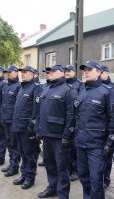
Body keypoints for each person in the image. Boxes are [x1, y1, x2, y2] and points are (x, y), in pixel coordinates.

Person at [75, 60, 114, 199]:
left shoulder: (107, 92)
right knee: (83, 176)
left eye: (89, 69)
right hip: (81, 143)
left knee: (96, 180)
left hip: (97, 145)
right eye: (84, 70)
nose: (86, 72)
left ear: (99, 72)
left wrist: (109, 143)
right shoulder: (82, 90)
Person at [37, 64, 77, 198]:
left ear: (62, 73)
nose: (50, 73)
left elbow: (72, 115)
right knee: (49, 164)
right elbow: (40, 112)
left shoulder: (68, 90)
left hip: (60, 137)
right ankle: (52, 187)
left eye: (54, 71)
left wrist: (67, 136)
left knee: (62, 167)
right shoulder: (46, 88)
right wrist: (39, 130)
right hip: (47, 134)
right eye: (49, 71)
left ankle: (62, 194)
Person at [11, 65, 42, 190]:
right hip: (18, 126)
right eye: (21, 72)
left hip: (27, 128)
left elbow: (37, 109)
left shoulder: (36, 88)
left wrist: (32, 125)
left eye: (25, 72)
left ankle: (30, 177)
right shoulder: (21, 88)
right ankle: (24, 174)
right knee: (22, 152)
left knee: (30, 154)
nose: (22, 74)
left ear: (33, 74)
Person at [99, 64, 114, 189]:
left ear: (107, 73)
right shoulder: (94, 87)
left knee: (106, 156)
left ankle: (106, 180)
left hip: (109, 129)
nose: (100, 74)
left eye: (102, 72)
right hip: (98, 128)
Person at [64, 64, 85, 182]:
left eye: (69, 71)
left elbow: (79, 101)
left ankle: (75, 170)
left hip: (76, 120)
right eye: (65, 71)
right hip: (66, 119)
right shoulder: (63, 83)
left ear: (74, 72)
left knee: (74, 146)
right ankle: (68, 168)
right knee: (66, 146)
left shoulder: (80, 85)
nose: (67, 73)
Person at [0, 65, 21, 177]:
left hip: (13, 121)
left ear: (16, 73)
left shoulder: (18, 87)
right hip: (5, 120)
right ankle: (11, 163)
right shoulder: (6, 86)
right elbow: (4, 104)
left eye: (10, 72)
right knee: (8, 143)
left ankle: (14, 166)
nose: (8, 74)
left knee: (14, 144)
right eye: (7, 72)